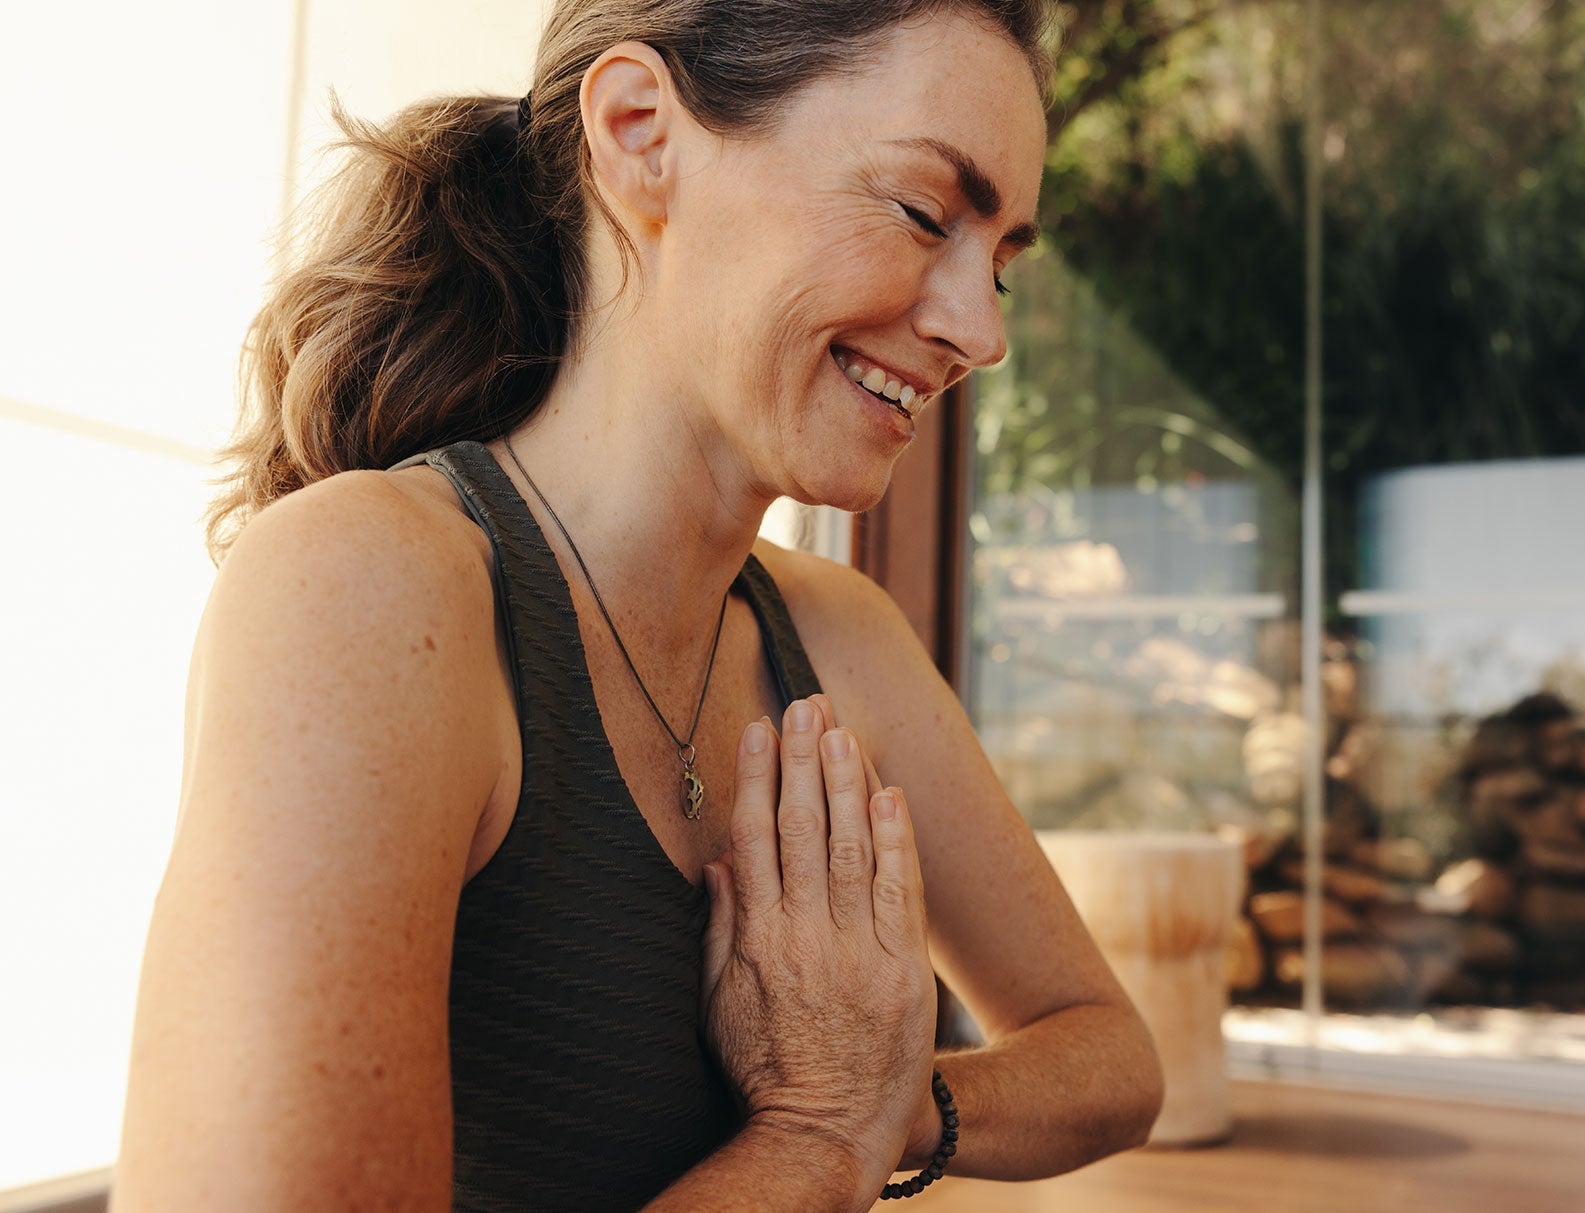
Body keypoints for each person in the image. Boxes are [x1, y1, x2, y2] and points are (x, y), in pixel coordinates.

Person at [111, 1, 1162, 1209]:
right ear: (638, 132)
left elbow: (1108, 1055)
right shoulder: (366, 588)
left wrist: (890, 1095)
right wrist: (816, 1133)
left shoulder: (836, 636)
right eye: (925, 213)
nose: (980, 331)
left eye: (1000, 265)